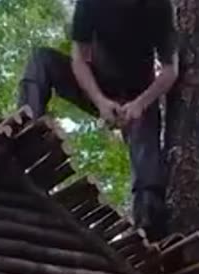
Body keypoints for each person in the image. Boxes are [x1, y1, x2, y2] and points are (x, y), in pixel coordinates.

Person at [15, 0, 178, 240]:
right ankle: (25, 137)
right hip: (97, 84)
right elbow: (78, 59)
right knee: (41, 60)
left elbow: (169, 71)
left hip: (138, 96)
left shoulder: (159, 7)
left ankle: (149, 222)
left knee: (147, 153)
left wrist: (139, 105)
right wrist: (100, 102)